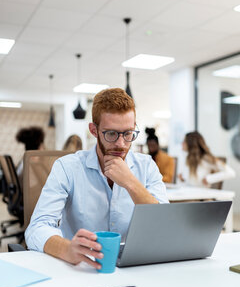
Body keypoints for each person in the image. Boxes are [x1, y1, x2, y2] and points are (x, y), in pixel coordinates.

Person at [25, 88, 168, 270]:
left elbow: (165, 227)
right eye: (111, 134)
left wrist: (130, 182)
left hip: (136, 267)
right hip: (81, 268)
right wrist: (67, 249)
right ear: (94, 130)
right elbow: (37, 227)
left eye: (128, 133)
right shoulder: (67, 167)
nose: (121, 144)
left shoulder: (146, 166)